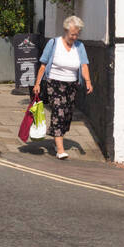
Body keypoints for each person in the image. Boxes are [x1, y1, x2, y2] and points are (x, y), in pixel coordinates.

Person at [33, 16, 93, 160]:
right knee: (58, 111)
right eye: (72, 34)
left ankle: (57, 137)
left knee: (67, 114)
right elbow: (43, 65)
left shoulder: (80, 46)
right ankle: (60, 149)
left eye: (77, 34)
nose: (75, 37)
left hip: (72, 84)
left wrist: (88, 81)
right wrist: (37, 84)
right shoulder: (53, 43)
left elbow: (84, 65)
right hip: (54, 82)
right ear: (66, 30)